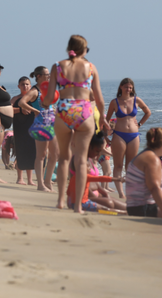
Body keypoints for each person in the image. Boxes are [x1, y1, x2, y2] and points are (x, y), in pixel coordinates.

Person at [42, 35, 109, 213]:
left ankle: (61, 200)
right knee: (81, 161)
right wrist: (102, 117)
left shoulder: (57, 67)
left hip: (64, 111)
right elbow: (99, 99)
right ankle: (78, 205)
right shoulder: (91, 67)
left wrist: (45, 102)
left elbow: (49, 99)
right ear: (84, 49)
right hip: (85, 112)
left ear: (69, 48)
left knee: (63, 158)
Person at [105, 78, 152, 199]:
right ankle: (121, 193)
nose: (128, 89)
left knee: (130, 166)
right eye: (126, 87)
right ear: (121, 87)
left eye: (130, 87)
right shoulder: (114, 102)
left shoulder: (137, 100)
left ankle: (131, 191)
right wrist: (105, 135)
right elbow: (106, 119)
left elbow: (148, 112)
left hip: (134, 136)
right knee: (118, 165)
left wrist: (140, 124)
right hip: (119, 135)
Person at [125, 128, 162, 219]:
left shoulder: (144, 155)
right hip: (146, 207)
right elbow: (154, 188)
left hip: (139, 205)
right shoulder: (152, 159)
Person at [18, 68, 58, 192]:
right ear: (39, 76)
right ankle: (40, 184)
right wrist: (35, 111)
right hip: (41, 125)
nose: (50, 76)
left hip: (52, 123)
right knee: (41, 155)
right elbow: (21, 102)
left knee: (55, 155)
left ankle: (47, 182)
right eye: (47, 74)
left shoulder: (47, 89)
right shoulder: (34, 91)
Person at [70, 132, 128, 213]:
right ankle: (124, 213)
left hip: (96, 193)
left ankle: (134, 211)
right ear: (89, 147)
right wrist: (97, 197)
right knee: (110, 203)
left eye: (100, 151)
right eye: (97, 151)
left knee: (126, 206)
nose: (99, 154)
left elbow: (96, 181)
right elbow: (81, 182)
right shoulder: (79, 160)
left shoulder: (89, 159)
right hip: (85, 197)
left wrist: (103, 192)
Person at [11, 77, 35, 186]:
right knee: (20, 152)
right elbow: (8, 110)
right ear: (18, 86)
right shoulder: (15, 99)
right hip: (19, 128)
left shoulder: (33, 99)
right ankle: (20, 178)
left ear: (30, 86)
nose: (25, 86)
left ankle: (30, 179)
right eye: (22, 84)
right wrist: (20, 110)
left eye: (27, 84)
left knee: (31, 153)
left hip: (32, 128)